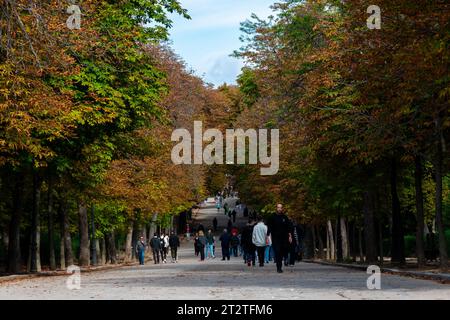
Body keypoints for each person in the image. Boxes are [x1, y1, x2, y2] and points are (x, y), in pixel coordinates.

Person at [268, 204, 292, 273]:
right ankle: (279, 267)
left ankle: (283, 261)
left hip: (284, 238)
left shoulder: (285, 217)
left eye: (281, 208)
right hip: (275, 238)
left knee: (282, 252)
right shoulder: (272, 217)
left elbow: (288, 227)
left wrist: (290, 236)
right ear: (276, 208)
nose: (279, 209)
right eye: (278, 207)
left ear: (282, 209)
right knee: (277, 252)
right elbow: (269, 226)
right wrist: (267, 236)